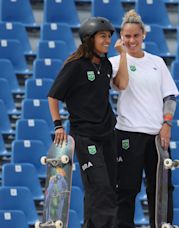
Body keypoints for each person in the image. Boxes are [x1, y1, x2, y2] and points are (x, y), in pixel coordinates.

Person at [48, 17, 128, 227]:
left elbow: (121, 84)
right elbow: (53, 96)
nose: (108, 40)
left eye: (110, 36)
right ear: (89, 39)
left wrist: (124, 55)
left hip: (108, 134)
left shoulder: (107, 64)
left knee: (107, 186)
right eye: (103, 36)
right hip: (85, 137)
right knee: (100, 186)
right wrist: (58, 125)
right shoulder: (75, 66)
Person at [108, 10, 179, 228]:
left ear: (143, 35)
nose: (131, 41)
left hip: (157, 136)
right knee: (126, 188)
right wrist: (122, 56)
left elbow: (169, 96)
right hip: (128, 132)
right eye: (127, 36)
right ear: (121, 36)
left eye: (135, 36)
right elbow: (120, 85)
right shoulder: (113, 62)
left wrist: (166, 124)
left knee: (161, 188)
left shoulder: (157, 62)